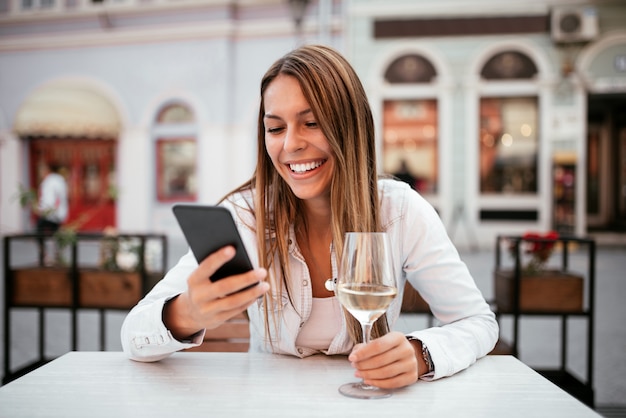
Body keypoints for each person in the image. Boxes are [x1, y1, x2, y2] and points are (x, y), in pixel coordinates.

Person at [121, 44, 498, 388]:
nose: (290, 144)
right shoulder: (245, 217)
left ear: (349, 126)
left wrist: (420, 354)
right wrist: (185, 313)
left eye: (311, 122)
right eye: (275, 128)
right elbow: (133, 336)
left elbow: (477, 322)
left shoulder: (399, 211)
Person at [36, 162, 69, 264]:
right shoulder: (55, 181)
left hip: (51, 214)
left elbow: (54, 199)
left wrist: (45, 210)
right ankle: (54, 256)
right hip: (54, 213)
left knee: (40, 232)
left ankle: (46, 256)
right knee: (55, 235)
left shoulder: (52, 181)